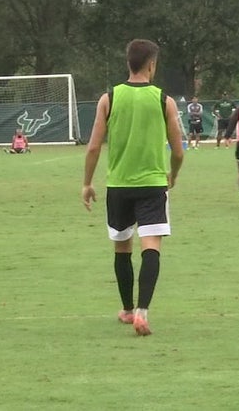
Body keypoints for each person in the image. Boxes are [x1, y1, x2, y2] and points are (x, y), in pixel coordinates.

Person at [82, 39, 184, 337]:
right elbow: (178, 151)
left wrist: (87, 183)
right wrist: (173, 175)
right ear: (152, 64)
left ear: (128, 63)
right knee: (151, 247)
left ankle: (127, 310)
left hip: (118, 186)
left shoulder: (108, 98)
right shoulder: (164, 100)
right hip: (153, 184)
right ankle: (143, 312)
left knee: (122, 246)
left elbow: (93, 148)